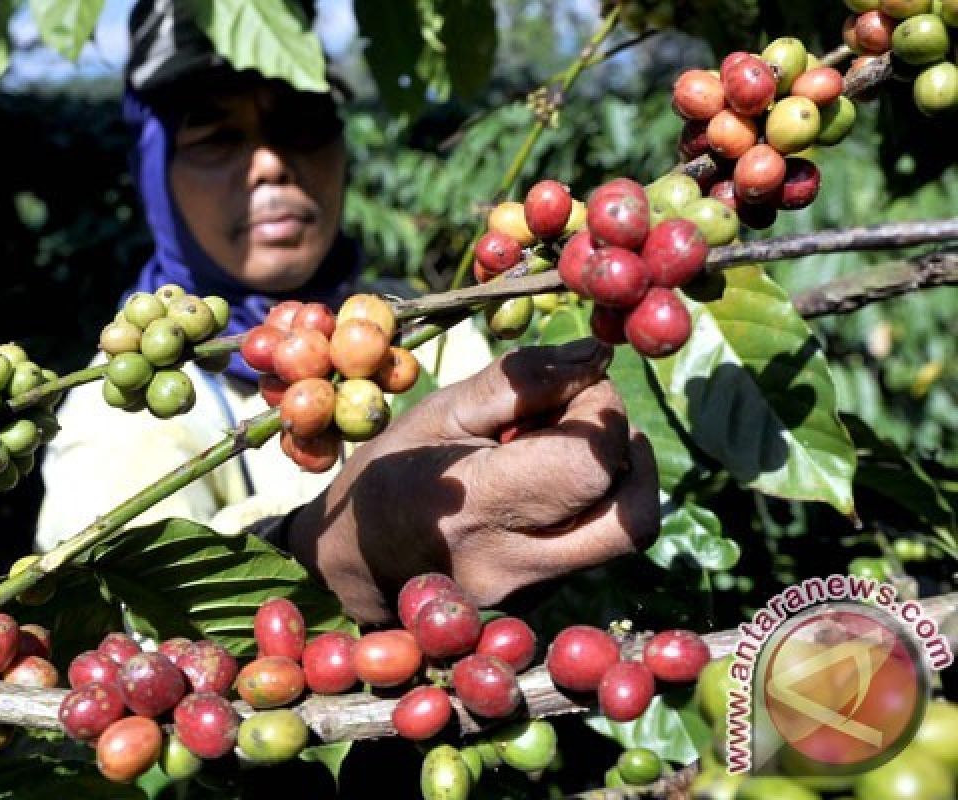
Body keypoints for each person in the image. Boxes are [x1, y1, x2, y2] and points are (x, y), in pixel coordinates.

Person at [35, 0, 659, 626]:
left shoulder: (419, 320)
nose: (271, 164)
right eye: (216, 137)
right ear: (154, 169)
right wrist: (333, 553)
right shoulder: (120, 413)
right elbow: (131, 636)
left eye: (301, 122)